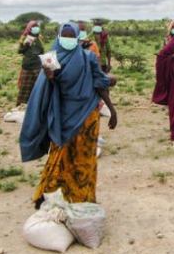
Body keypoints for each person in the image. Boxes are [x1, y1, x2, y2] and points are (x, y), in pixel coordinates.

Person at [20, 23, 117, 207]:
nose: (68, 40)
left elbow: (99, 83)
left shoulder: (88, 57)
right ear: (58, 37)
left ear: (77, 38)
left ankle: (83, 198)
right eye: (65, 36)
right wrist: (49, 77)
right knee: (60, 154)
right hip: (62, 115)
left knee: (84, 159)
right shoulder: (51, 58)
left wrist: (112, 110)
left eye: (71, 36)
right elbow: (44, 89)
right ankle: (47, 194)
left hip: (87, 115)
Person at [16, 20, 44, 106]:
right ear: (29, 28)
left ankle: (36, 105)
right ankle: (21, 106)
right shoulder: (24, 38)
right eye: (33, 27)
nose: (35, 28)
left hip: (38, 66)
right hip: (27, 66)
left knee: (38, 87)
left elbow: (42, 51)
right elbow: (19, 51)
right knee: (25, 88)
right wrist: (26, 46)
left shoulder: (39, 38)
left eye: (36, 27)